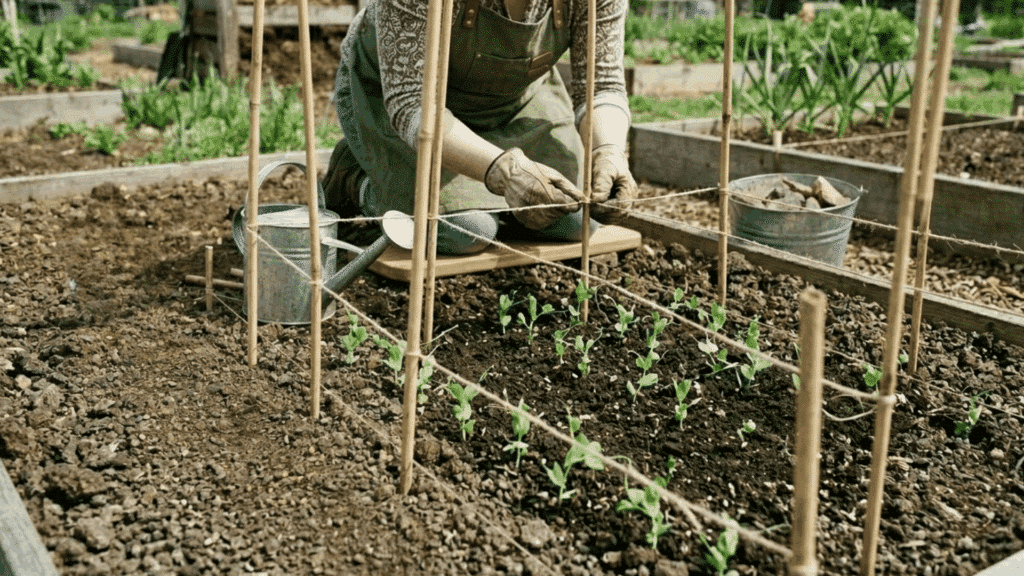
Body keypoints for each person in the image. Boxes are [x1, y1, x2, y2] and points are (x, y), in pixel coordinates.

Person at [322, 0, 638, 255]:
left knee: (574, 220)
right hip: (404, 101)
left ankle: (491, 205)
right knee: (466, 231)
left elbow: (602, 84)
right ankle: (358, 178)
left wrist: (608, 150)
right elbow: (410, 102)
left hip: (512, 101)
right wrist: (507, 173)